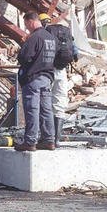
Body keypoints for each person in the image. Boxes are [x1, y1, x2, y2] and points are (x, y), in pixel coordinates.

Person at [15, 12, 57, 152]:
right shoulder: (51, 38)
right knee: (46, 110)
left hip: (33, 78)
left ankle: (30, 141)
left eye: (26, 24)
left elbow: (24, 57)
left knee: (32, 109)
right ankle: (49, 140)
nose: (27, 28)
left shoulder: (35, 37)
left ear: (31, 21)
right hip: (47, 78)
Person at [39, 13, 78, 147]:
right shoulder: (64, 33)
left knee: (44, 103)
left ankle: (46, 137)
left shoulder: (44, 33)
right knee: (59, 103)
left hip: (48, 71)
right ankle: (57, 139)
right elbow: (75, 50)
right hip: (62, 70)